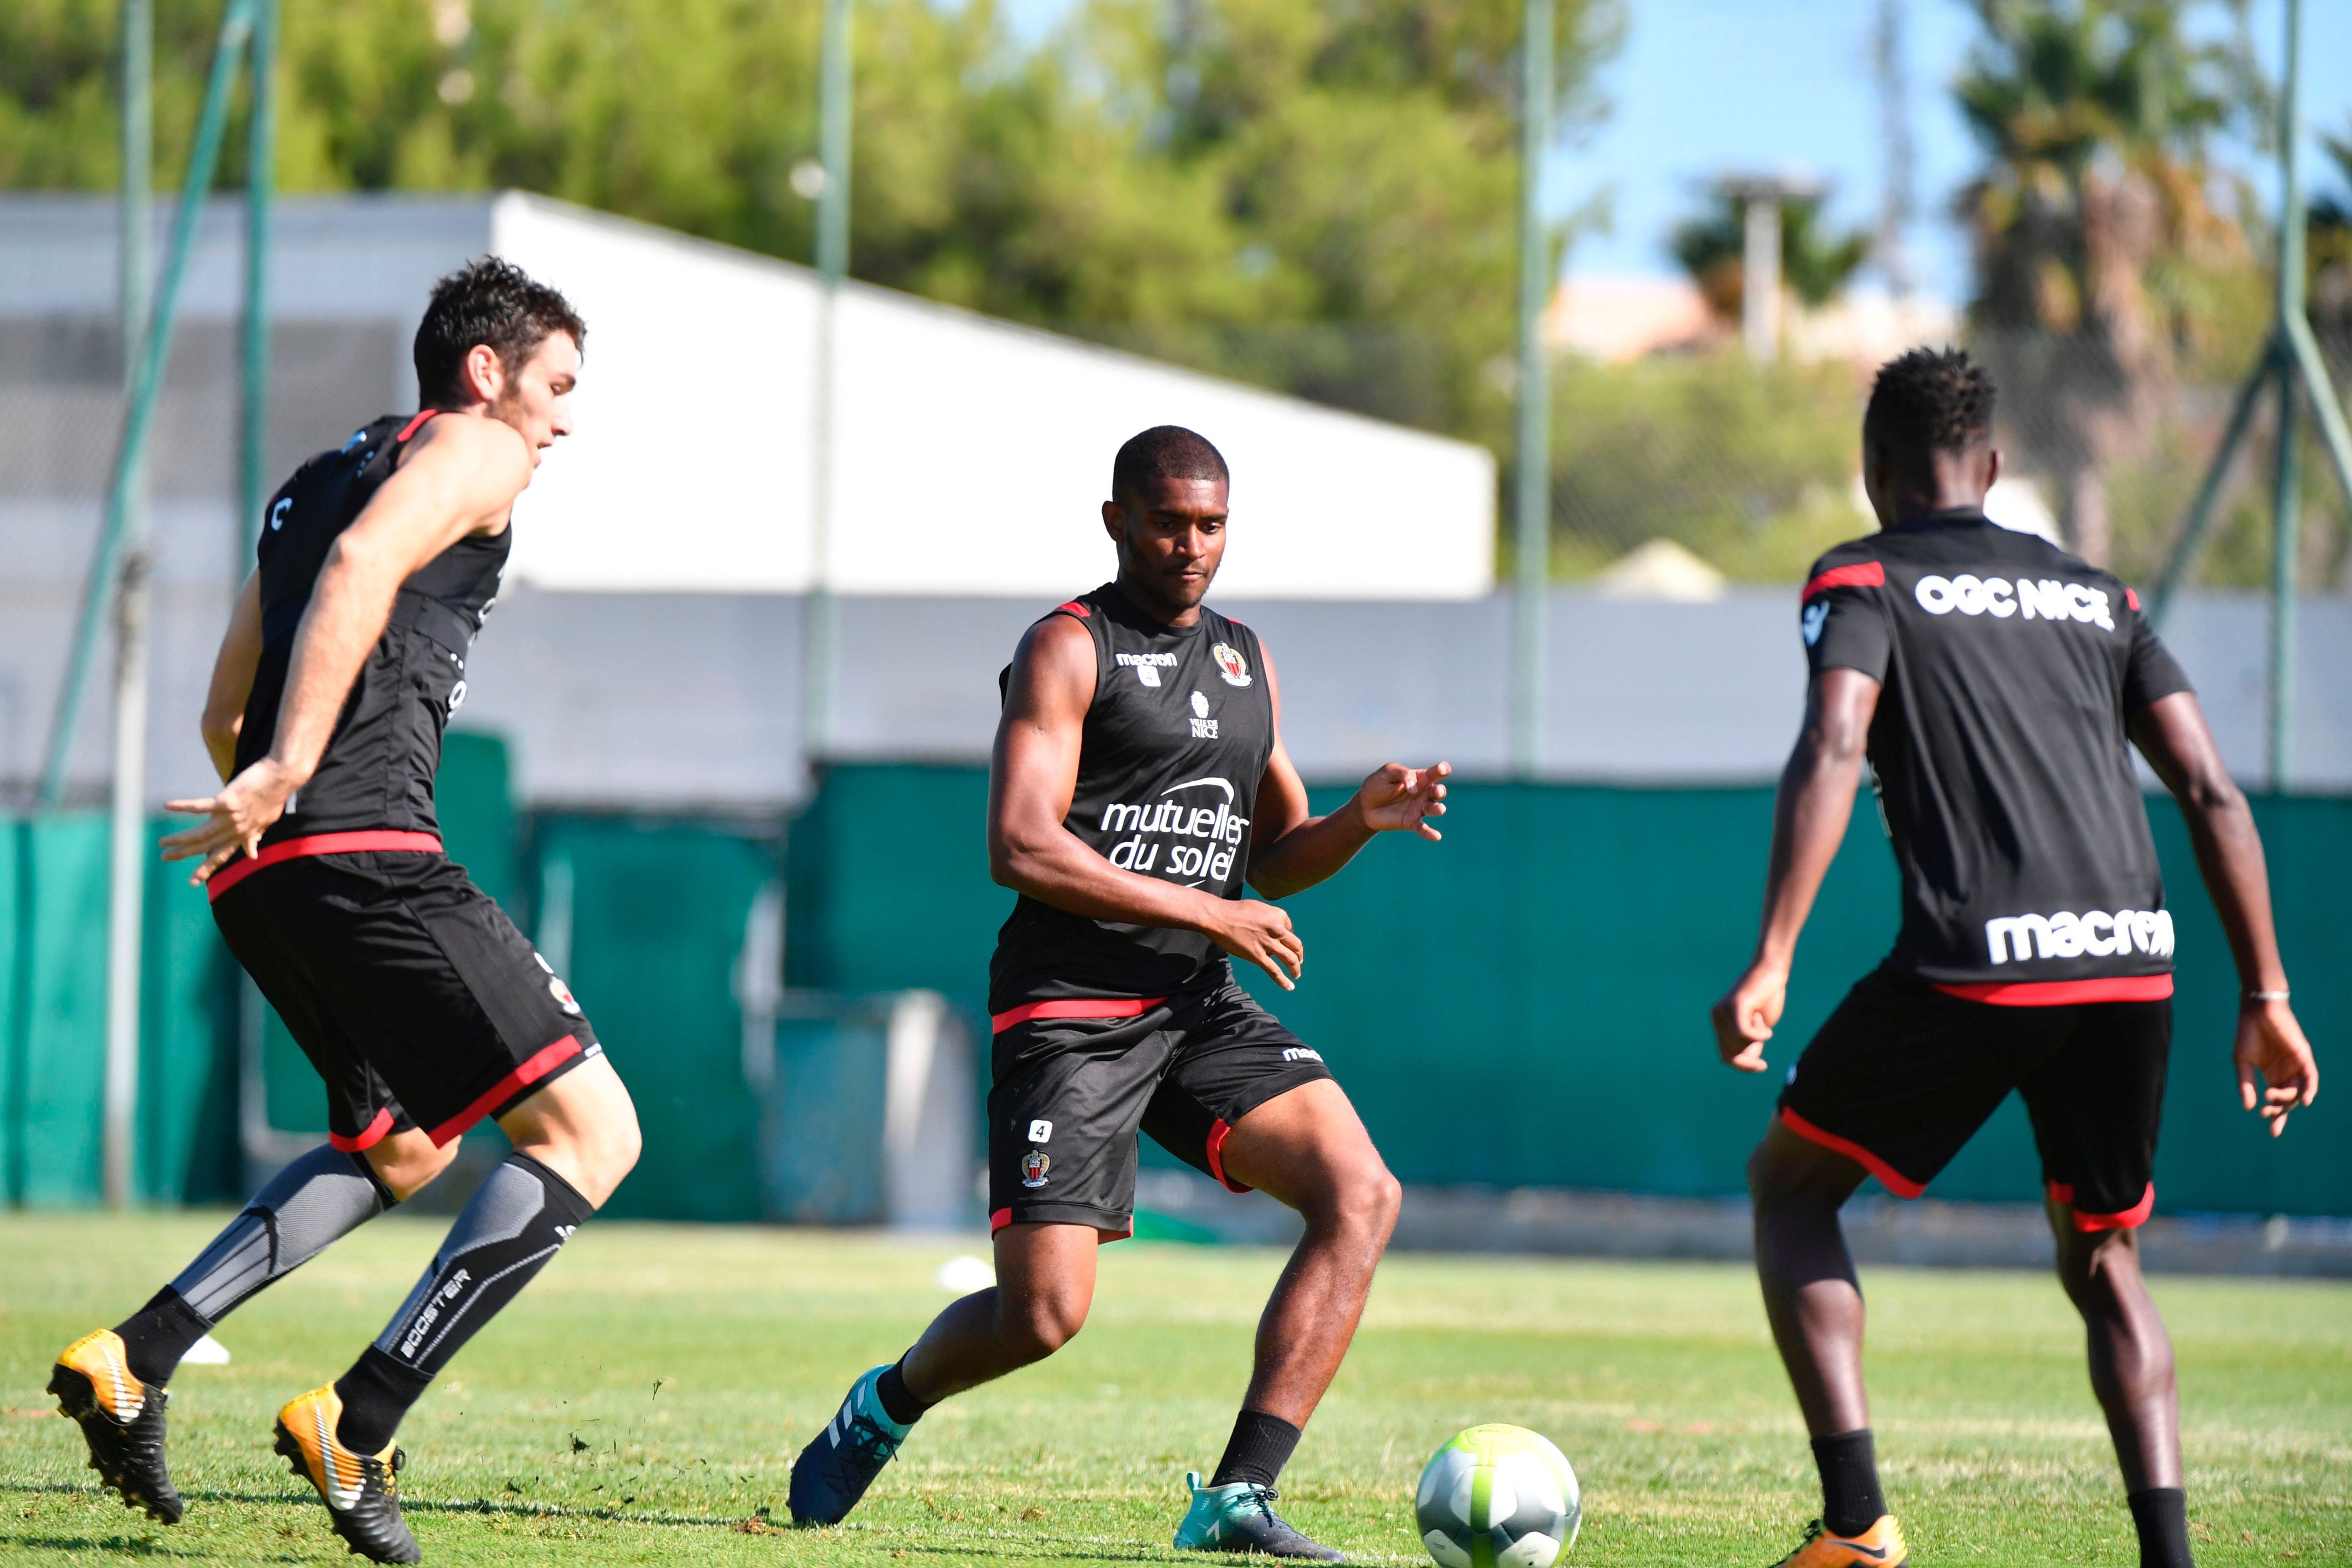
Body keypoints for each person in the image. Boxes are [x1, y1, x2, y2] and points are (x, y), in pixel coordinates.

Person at [47, 259, 641, 1567]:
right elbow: (371, 566)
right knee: (596, 1131)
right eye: (555, 385)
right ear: (485, 373)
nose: (562, 419)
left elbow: (221, 704)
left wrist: (265, 790)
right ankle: (358, 1421)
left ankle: (134, 1356)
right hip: (360, 845)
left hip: (265, 872)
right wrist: (297, 772)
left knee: (404, 1145)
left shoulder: (308, 482)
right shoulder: (475, 451)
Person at [786, 425, 1448, 1560]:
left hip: (1195, 1005)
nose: (1192, 546)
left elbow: (1274, 852)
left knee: (1361, 1194)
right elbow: (1020, 845)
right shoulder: (1067, 645)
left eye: (1212, 525)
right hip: (1070, 1010)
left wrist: (1356, 823)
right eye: (1167, 523)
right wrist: (1209, 910)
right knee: (1043, 1318)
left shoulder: (1246, 658)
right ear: (1117, 522)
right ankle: (887, 1403)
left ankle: (1238, 1498)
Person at [1710, 347, 2320, 1568]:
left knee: (1789, 1190)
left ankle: (1856, 1527)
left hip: (1975, 960)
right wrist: (2266, 993)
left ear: (1872, 472)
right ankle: (2171, 1561)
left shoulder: (1861, 579)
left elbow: (1834, 748)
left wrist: (1772, 952)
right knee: (2103, 1256)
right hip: (2130, 961)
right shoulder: (2099, 596)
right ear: (1988, 468)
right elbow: (2206, 787)